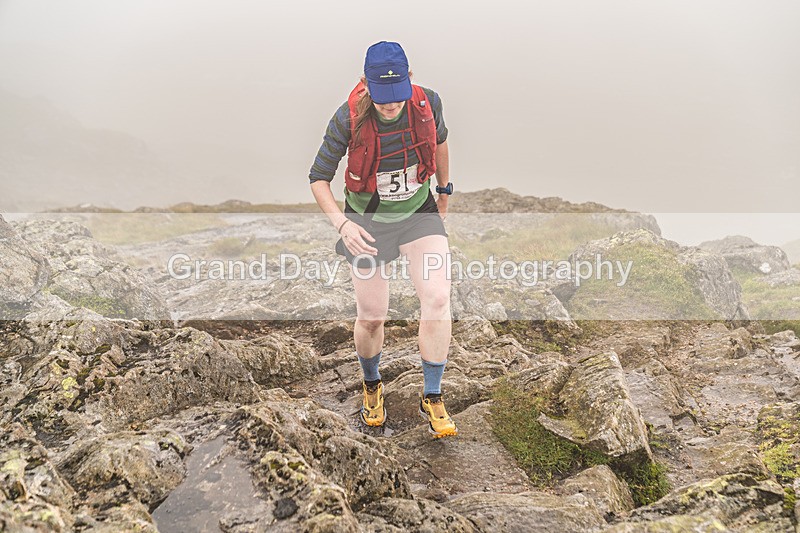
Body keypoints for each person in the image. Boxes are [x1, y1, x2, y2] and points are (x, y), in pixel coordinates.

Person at [309, 41, 457, 438]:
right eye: (382, 96)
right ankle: (372, 384)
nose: (391, 104)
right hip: (368, 223)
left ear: (410, 79)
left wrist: (444, 190)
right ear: (365, 83)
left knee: (437, 299)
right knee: (372, 316)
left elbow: (440, 140)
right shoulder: (347, 118)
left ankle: (432, 394)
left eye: (397, 94)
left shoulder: (427, 103)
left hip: (419, 215)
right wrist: (343, 225)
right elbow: (318, 178)